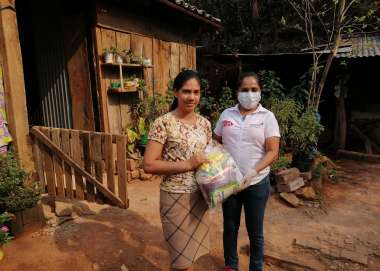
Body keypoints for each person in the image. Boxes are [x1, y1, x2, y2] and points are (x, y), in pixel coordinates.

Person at [143, 70, 212, 271]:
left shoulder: (204, 124)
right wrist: (188, 164)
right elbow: (149, 165)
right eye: (186, 91)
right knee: (180, 261)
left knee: (191, 256)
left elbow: (207, 158)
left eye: (196, 92)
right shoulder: (163, 123)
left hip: (200, 197)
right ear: (176, 92)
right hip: (175, 198)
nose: (191, 97)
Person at [214, 72, 280, 271]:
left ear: (260, 92)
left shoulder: (267, 117)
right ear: (237, 92)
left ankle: (255, 267)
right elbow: (217, 142)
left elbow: (273, 151)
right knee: (230, 227)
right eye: (245, 90)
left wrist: (253, 171)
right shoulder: (227, 114)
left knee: (255, 231)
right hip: (230, 182)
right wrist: (219, 167)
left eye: (254, 89)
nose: (249, 94)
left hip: (256, 183)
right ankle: (231, 265)